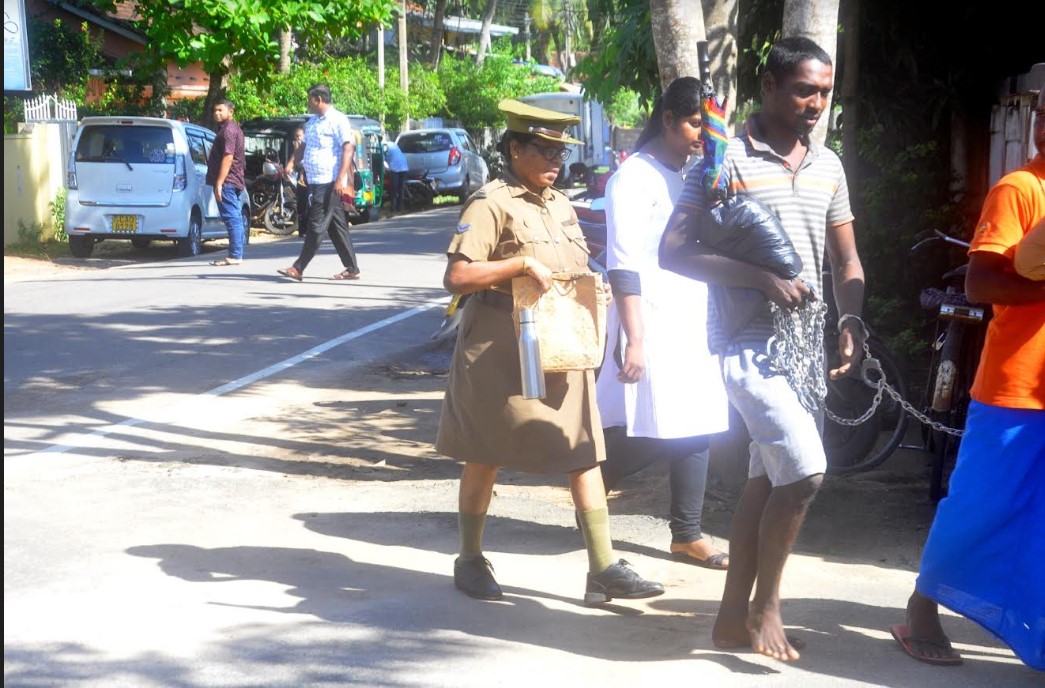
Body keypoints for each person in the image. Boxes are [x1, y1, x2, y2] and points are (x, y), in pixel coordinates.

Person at [660, 37, 864, 661]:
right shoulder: (721, 157)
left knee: (766, 480)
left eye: (824, 92)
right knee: (804, 472)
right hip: (746, 342)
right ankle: (766, 606)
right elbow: (674, 251)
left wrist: (852, 319)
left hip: (804, 348)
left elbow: (846, 260)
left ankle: (729, 622)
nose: (816, 103)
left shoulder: (828, 164)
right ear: (769, 86)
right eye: (804, 90)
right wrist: (759, 279)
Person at [436, 99, 664, 606]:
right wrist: (518, 265)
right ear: (515, 150)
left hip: (560, 343)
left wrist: (595, 290)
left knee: (583, 451)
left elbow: (573, 265)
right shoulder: (490, 203)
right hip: (499, 348)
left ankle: (602, 568)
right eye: (545, 150)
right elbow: (458, 276)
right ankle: (469, 559)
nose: (557, 160)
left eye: (561, 151)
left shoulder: (560, 203)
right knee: (485, 454)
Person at [890, 88, 1044, 670]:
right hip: (1015, 389)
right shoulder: (1020, 189)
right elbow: (980, 283)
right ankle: (922, 606)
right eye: (1044, 115)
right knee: (979, 507)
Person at [595, 76, 730, 570]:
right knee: (648, 427)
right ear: (668, 119)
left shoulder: (692, 176)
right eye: (694, 124)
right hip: (649, 318)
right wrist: (635, 339)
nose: (701, 135)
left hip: (691, 319)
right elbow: (623, 264)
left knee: (697, 424)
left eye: (707, 126)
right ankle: (589, 489)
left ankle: (686, 535)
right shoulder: (633, 178)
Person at [277, 83, 361, 282]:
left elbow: (348, 149)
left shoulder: (338, 120)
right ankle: (352, 268)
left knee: (316, 225)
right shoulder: (312, 122)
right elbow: (303, 146)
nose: (308, 103)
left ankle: (298, 268)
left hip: (329, 181)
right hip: (314, 181)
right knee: (336, 226)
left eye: (310, 100)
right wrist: (291, 163)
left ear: (319, 99)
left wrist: (340, 179)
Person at [206, 99, 246, 266]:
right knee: (235, 216)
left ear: (230, 112)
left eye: (220, 110)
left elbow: (228, 157)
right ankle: (237, 252)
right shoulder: (233, 129)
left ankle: (235, 255)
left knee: (231, 217)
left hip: (228, 181)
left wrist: (219, 182)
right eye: (215, 110)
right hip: (235, 180)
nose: (217, 113)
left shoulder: (228, 130)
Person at [291, 126, 310, 238]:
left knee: (309, 203)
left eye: (300, 136)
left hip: (309, 176)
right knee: (301, 204)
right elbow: (296, 161)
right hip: (301, 177)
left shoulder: (308, 146)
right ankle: (302, 230)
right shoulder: (297, 147)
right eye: (296, 136)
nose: (298, 138)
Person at [383, 138, 409, 214]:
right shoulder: (392, 144)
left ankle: (393, 208)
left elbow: (382, 161)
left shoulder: (383, 146)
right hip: (404, 166)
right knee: (401, 189)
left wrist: (385, 170)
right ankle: (400, 208)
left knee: (394, 189)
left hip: (395, 168)